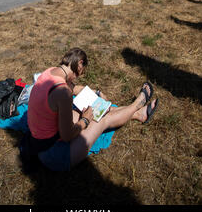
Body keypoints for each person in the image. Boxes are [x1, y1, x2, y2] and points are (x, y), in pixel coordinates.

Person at [25, 47, 159, 172]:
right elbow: (66, 136)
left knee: (96, 108)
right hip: (55, 155)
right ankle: (137, 104)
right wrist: (86, 119)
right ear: (80, 63)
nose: (78, 77)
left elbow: (74, 89)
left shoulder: (51, 72)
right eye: (80, 73)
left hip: (40, 143)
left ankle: (138, 114)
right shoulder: (63, 92)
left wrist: (97, 92)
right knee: (100, 117)